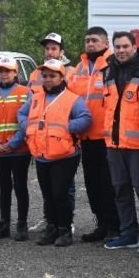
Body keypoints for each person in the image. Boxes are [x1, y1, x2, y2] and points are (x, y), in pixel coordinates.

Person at [19, 59, 92, 247]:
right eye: (45, 76)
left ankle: (65, 230)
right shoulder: (36, 97)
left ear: (61, 77)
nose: (48, 79)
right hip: (42, 154)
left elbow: (86, 119)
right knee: (48, 194)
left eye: (52, 76)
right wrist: (28, 128)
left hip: (65, 154)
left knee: (60, 193)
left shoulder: (72, 99)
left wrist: (67, 127)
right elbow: (21, 114)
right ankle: (51, 228)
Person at [101, 31, 139, 252]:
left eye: (125, 46)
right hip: (114, 144)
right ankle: (128, 233)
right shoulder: (107, 72)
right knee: (121, 190)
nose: (121, 50)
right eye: (118, 46)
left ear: (135, 47)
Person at [67, 27, 120, 243]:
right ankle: (101, 223)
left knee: (110, 184)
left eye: (95, 40)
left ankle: (116, 226)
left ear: (106, 43)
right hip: (86, 137)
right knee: (92, 184)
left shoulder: (113, 66)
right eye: (87, 40)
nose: (90, 44)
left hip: (106, 137)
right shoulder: (78, 68)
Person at [27, 32, 77, 235]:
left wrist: (65, 129)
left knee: (64, 187)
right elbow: (29, 104)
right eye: (47, 48)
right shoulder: (35, 74)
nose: (50, 52)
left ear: (62, 51)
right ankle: (50, 220)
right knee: (48, 188)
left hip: (62, 142)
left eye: (54, 48)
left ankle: (67, 221)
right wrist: (28, 127)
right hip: (41, 140)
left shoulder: (71, 72)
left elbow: (73, 104)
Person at [0, 57, 31, 241]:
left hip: (19, 149)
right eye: (1, 70)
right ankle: (4, 224)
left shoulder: (26, 93)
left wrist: (13, 143)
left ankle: (22, 224)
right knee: (4, 187)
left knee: (20, 186)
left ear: (16, 72)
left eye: (8, 70)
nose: (4, 74)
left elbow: (28, 121)